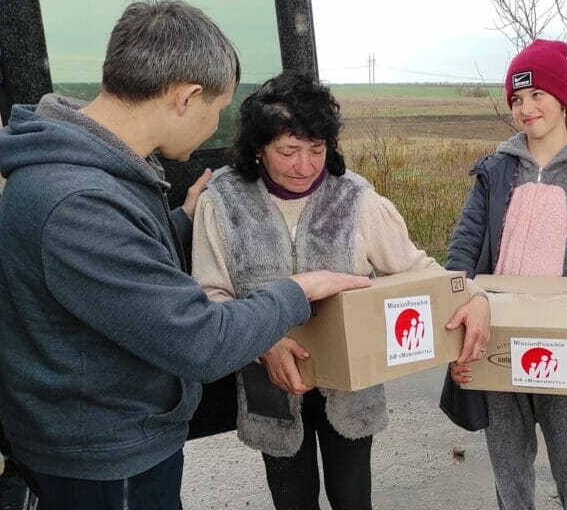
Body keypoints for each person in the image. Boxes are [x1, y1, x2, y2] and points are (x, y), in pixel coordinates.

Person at [0, 0, 371, 510]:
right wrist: (299, 290)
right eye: (217, 109)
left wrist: (179, 221)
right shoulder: (80, 199)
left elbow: (116, 269)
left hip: (109, 435)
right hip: (105, 458)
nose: (215, 126)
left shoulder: (92, 173)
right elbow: (202, 342)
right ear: (187, 97)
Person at [191, 72, 490, 510]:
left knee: (353, 498)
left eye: (317, 149)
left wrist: (477, 297)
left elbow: (420, 270)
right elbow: (211, 296)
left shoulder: (357, 200)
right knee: (293, 500)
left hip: (352, 390)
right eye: (288, 151)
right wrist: (263, 343)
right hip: (271, 385)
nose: (305, 166)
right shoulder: (223, 203)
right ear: (258, 148)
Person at [441, 39, 567, 509]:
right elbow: (462, 255)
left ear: (562, 97)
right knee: (510, 474)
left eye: (536, 94)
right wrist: (455, 331)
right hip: (497, 341)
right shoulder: (496, 172)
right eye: (516, 99)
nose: (525, 108)